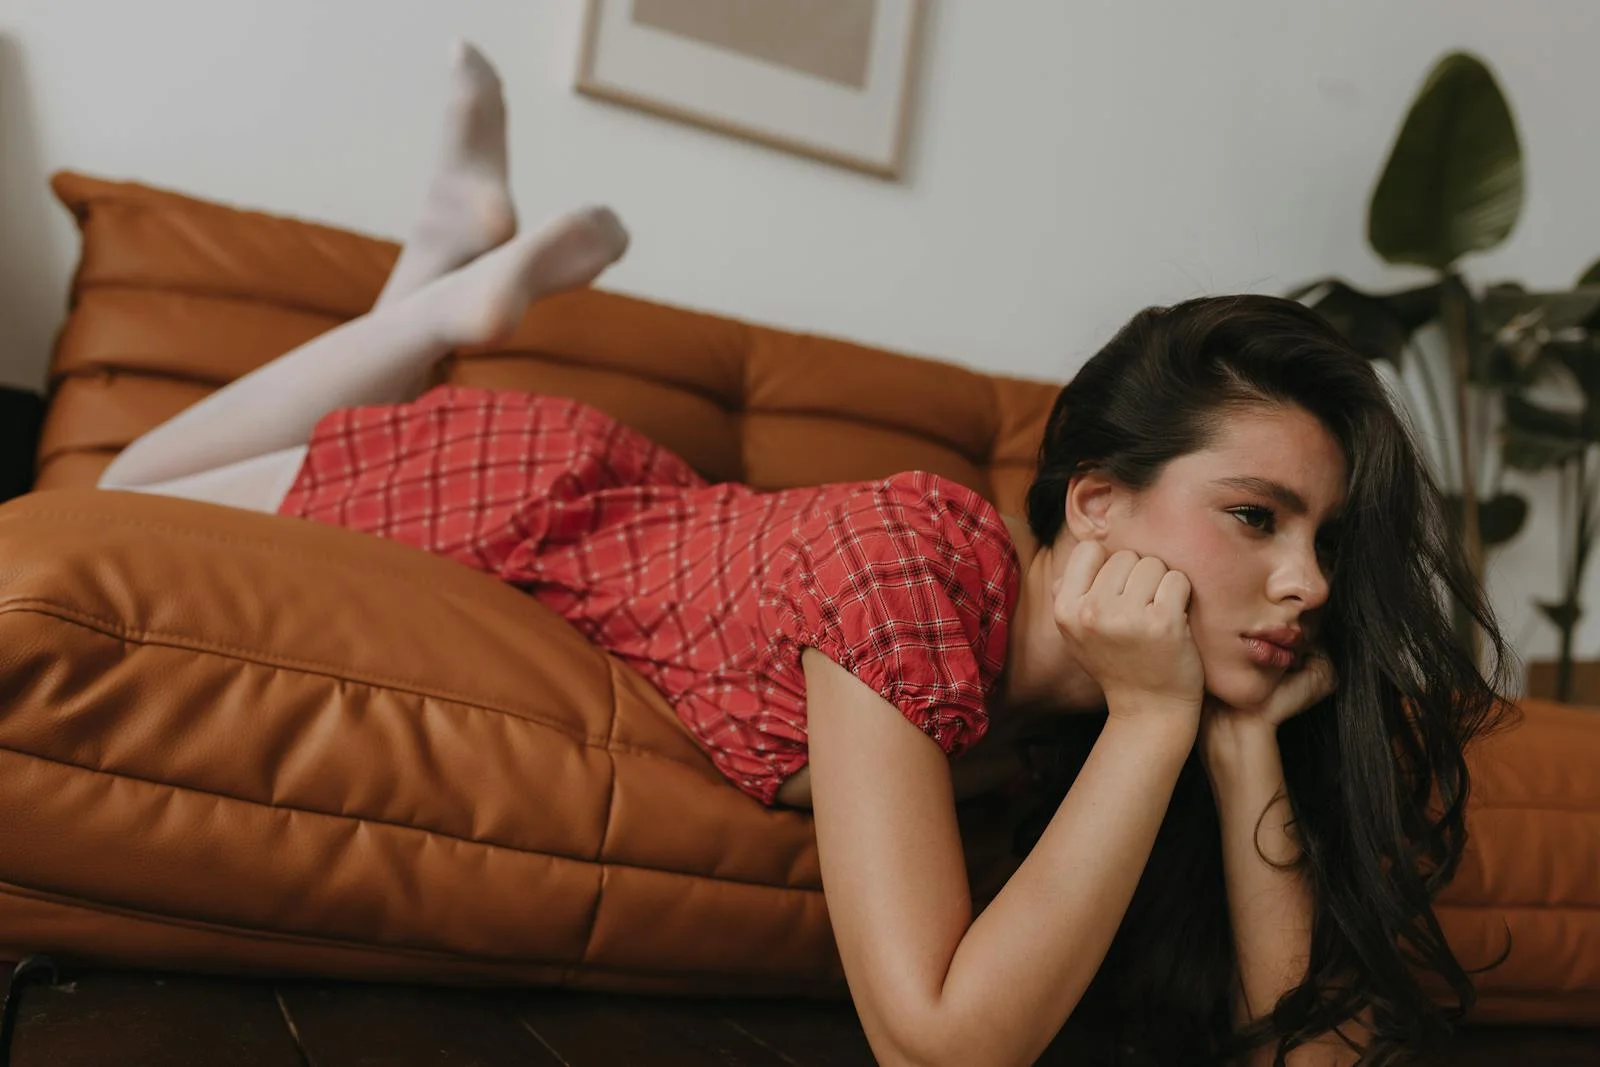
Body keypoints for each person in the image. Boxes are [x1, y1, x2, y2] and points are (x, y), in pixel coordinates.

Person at [96, 41, 1513, 1067]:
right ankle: (437, 300)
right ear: (1093, 504)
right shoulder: (913, 569)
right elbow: (937, 1044)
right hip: (548, 498)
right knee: (122, 484)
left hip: (665, 511)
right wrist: (1154, 722)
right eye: (1256, 517)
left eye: (1325, 539)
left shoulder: (1093, 710)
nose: (1310, 585)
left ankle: (437, 272)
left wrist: (1240, 743)